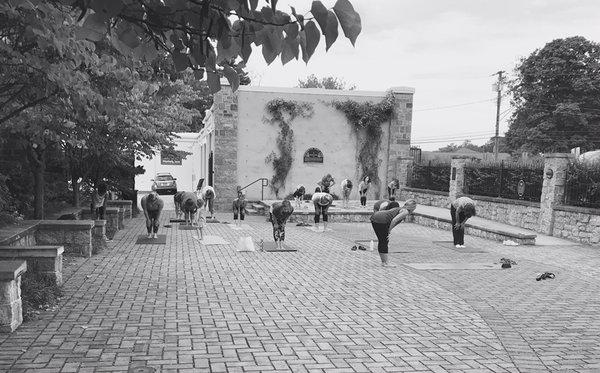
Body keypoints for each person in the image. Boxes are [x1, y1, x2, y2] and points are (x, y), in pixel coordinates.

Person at [370, 199, 417, 267]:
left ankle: (384, 262)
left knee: (382, 240)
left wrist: (388, 231)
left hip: (375, 217)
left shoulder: (400, 208)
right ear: (412, 207)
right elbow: (394, 220)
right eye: (414, 208)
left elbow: (394, 221)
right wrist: (388, 231)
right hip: (381, 219)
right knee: (384, 241)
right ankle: (385, 263)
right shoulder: (405, 212)